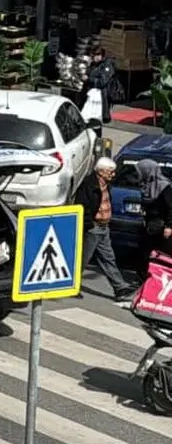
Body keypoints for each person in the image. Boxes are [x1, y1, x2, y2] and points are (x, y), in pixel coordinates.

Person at [77, 157, 131, 300]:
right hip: (93, 228)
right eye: (110, 172)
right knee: (83, 259)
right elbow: (82, 206)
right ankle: (71, 286)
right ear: (101, 172)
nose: (113, 175)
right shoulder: (89, 185)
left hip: (103, 227)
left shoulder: (106, 185)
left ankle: (120, 288)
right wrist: (89, 224)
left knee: (108, 258)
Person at [137, 160, 172, 279]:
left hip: (160, 225)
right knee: (144, 252)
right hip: (148, 223)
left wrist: (169, 226)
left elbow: (170, 207)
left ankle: (158, 277)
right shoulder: (146, 184)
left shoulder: (164, 187)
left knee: (160, 253)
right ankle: (144, 276)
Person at [80, 45, 121, 127]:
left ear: (100, 55)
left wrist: (89, 79)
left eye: (94, 56)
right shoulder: (94, 64)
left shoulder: (107, 65)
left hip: (101, 95)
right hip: (91, 94)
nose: (93, 58)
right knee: (87, 116)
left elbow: (103, 81)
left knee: (95, 117)